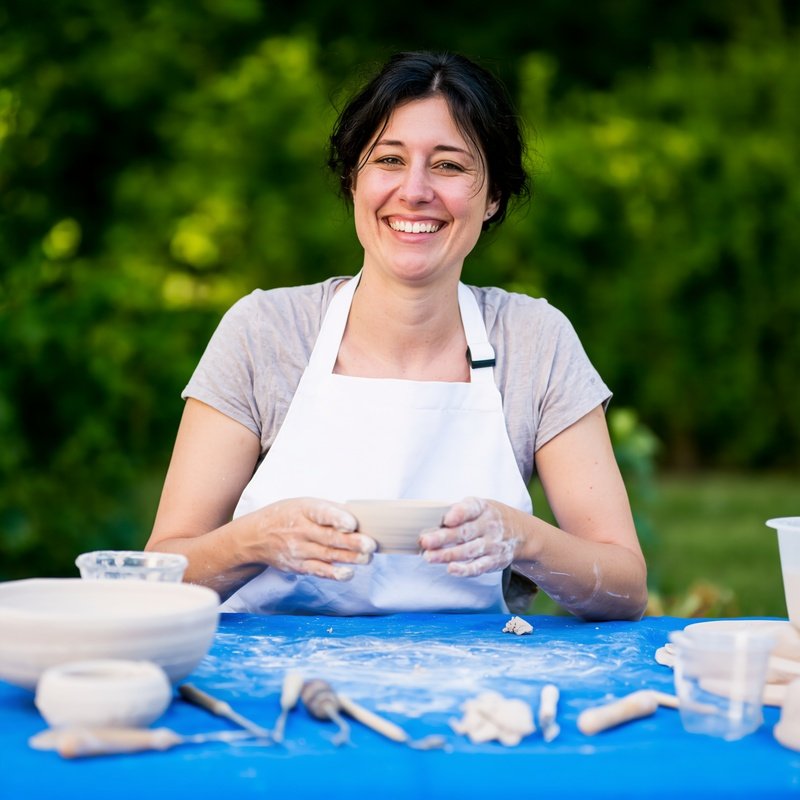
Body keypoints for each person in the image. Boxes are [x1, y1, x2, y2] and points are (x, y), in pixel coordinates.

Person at [146, 50, 648, 621]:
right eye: (388, 159)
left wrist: (524, 538)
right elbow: (161, 570)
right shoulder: (264, 333)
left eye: (449, 166)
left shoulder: (535, 341)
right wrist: (252, 541)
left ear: (493, 199)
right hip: (270, 685)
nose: (414, 191)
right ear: (353, 181)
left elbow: (625, 589)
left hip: (478, 685)